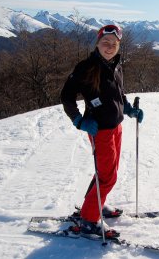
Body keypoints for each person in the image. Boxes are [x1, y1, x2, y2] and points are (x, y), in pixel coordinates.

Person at [60, 25, 143, 238]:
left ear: (118, 46)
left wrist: (130, 109)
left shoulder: (116, 66)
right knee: (108, 177)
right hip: (100, 130)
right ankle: (89, 220)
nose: (109, 47)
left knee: (107, 172)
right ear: (97, 43)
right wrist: (79, 121)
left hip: (116, 126)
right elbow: (66, 97)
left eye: (113, 44)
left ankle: (96, 203)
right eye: (105, 42)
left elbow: (119, 96)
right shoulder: (86, 67)